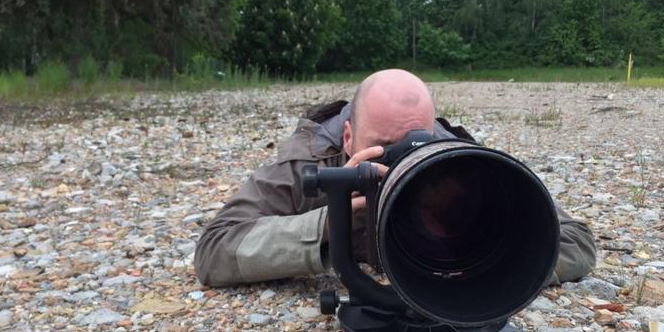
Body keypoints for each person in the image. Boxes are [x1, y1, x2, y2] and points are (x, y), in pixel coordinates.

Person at [194, 69, 597, 288]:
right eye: (386, 146)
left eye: (417, 143)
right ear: (349, 139)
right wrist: (333, 222)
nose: (404, 158)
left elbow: (575, 240)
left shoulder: (458, 159)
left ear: (433, 134)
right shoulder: (309, 163)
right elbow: (213, 252)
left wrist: (489, 260)